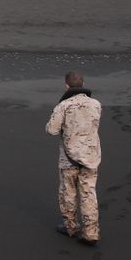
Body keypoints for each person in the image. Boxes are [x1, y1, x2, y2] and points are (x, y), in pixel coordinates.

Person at [46, 71, 102, 246]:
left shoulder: (63, 106)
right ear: (83, 83)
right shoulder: (96, 104)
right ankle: (91, 232)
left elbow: (51, 130)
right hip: (91, 156)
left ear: (66, 85)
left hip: (69, 158)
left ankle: (71, 226)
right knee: (89, 193)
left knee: (68, 192)